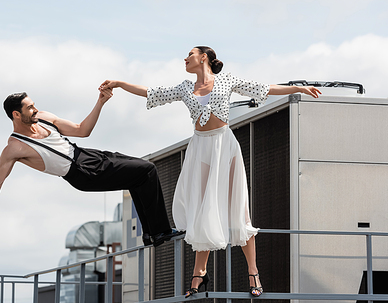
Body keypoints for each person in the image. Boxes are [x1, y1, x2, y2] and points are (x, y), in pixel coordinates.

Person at [99, 46, 321, 297]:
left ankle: (253, 272)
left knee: (239, 209)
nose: (185, 58)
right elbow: (152, 93)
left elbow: (264, 88)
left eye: (190, 54)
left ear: (203, 57)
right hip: (200, 149)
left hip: (224, 146)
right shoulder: (185, 87)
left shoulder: (226, 80)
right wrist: (118, 83)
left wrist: (298, 88)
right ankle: (199, 274)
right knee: (202, 210)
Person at [0, 89, 183, 248]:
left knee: (141, 175)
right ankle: (158, 232)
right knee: (146, 170)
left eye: (33, 104)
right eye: (29, 107)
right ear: (16, 115)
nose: (35, 109)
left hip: (87, 155)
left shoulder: (45, 119)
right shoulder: (15, 148)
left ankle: (152, 233)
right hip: (80, 174)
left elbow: (82, 129)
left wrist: (100, 102)